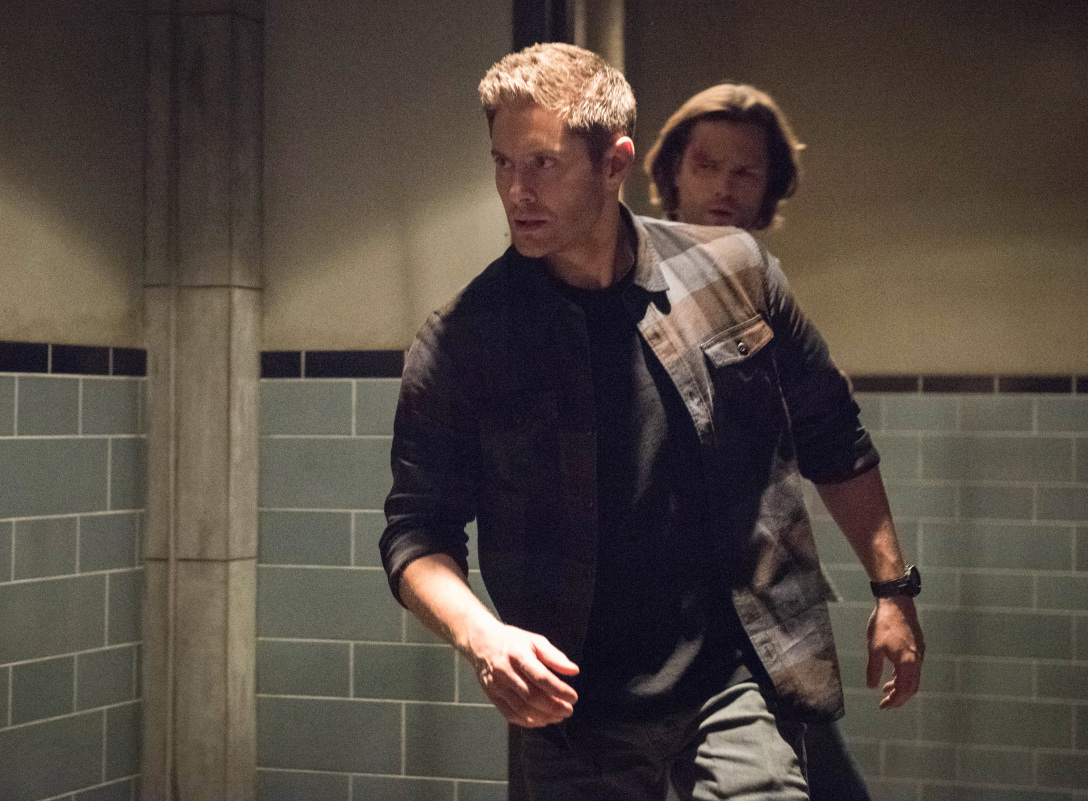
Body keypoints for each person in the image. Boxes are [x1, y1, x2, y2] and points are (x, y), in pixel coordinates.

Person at [381, 43, 924, 800]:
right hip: (573, 711)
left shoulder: (737, 272)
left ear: (615, 162)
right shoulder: (466, 337)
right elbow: (416, 531)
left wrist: (893, 588)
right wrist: (485, 638)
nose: (515, 190)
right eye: (502, 163)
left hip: (732, 684)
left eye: (542, 164)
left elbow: (834, 436)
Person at [646, 83, 876, 801]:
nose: (724, 186)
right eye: (707, 165)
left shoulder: (757, 279)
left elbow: (830, 434)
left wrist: (893, 587)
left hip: (760, 605)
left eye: (745, 171)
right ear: (673, 171)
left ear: (770, 182)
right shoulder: (628, 275)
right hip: (656, 625)